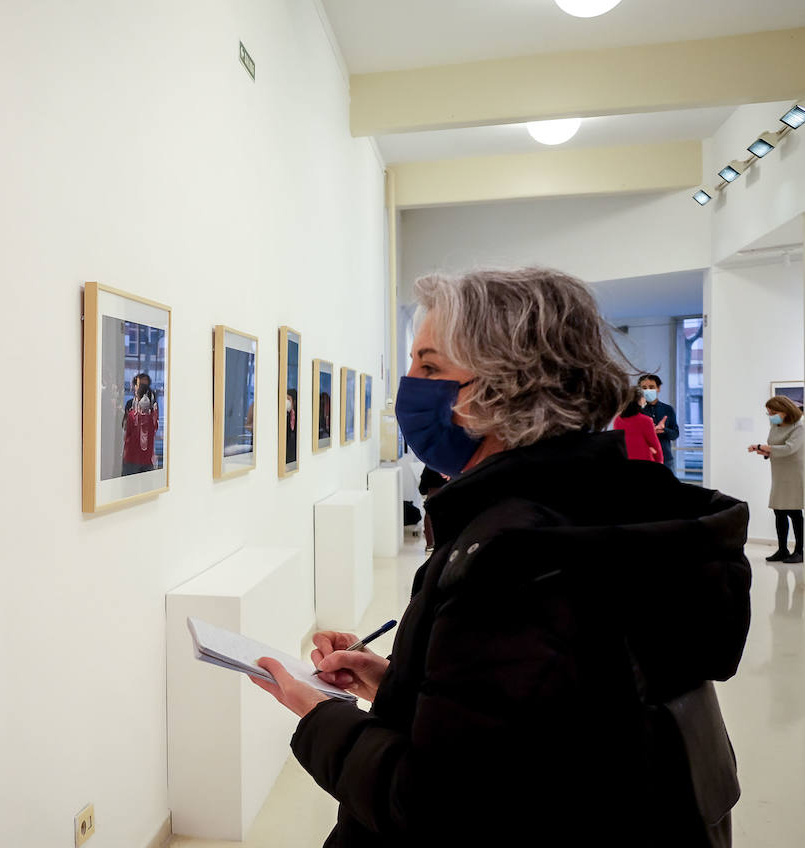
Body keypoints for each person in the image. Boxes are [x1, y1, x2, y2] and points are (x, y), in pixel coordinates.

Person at [248, 268, 750, 847]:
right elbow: (544, 719)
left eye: (431, 367)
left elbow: (433, 804)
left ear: (507, 386)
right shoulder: (607, 509)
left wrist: (317, 714)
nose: (409, 385)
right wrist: (400, 683)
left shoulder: (517, 558)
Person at [750, 396, 805, 563]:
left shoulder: (799, 427)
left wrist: (763, 447)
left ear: (786, 410)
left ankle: (799, 551)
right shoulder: (775, 425)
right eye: (768, 413)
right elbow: (774, 445)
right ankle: (782, 550)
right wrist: (766, 452)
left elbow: (790, 448)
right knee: (778, 510)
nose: (770, 416)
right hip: (779, 472)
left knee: (794, 511)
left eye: (773, 412)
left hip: (794, 473)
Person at [637, 373, 679, 469]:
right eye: (644, 388)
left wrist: (664, 430)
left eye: (651, 387)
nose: (648, 390)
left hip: (666, 460)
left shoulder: (668, 409)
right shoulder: (637, 411)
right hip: (643, 459)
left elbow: (675, 434)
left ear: (658, 388)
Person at [613, 385, 663, 463]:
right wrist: (660, 463)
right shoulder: (645, 420)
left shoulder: (617, 420)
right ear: (640, 400)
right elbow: (655, 446)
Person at [122, 373, 159, 475]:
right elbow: (125, 428)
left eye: (144, 386)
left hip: (145, 456)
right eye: (140, 385)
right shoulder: (130, 404)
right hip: (133, 455)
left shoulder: (153, 408)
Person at [417, 466, 446, 552]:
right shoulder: (452, 462)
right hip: (449, 492)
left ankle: (430, 544)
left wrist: (424, 492)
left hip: (433, 495)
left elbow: (422, 486)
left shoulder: (430, 465)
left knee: (429, 514)